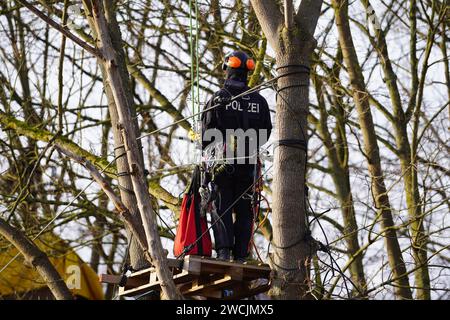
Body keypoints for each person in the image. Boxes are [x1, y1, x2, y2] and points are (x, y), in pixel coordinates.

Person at [200, 51, 272, 262]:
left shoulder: (218, 98)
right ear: (247, 73)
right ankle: (241, 255)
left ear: (227, 70)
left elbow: (206, 133)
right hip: (248, 165)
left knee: (221, 207)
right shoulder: (259, 101)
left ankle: (223, 252)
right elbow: (265, 132)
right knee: (245, 210)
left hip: (222, 165)